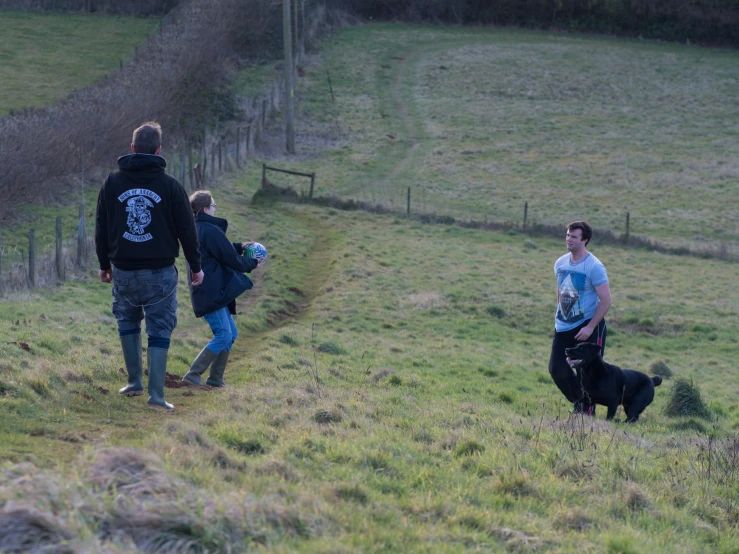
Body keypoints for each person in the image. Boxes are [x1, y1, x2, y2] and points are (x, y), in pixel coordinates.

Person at [95, 121, 204, 410]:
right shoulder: (170, 186)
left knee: (127, 322)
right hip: (160, 273)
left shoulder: (112, 182)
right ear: (158, 150)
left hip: (123, 272)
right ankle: (156, 396)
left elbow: (101, 227)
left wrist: (104, 263)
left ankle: (134, 382)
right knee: (159, 329)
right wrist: (196, 265)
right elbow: (187, 230)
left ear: (132, 149)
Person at [182, 190, 262, 388]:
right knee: (224, 334)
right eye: (214, 206)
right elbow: (230, 259)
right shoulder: (209, 230)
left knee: (231, 333)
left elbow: (220, 249)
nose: (216, 209)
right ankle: (193, 374)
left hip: (211, 289)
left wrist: (239, 246)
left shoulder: (198, 228)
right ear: (205, 209)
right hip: (211, 291)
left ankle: (216, 379)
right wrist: (252, 263)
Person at [548, 221, 612, 415]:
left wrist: (590, 327)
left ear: (585, 240)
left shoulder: (594, 267)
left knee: (588, 373)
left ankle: (585, 411)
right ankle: (582, 401)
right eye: (568, 235)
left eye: (574, 236)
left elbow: (606, 300)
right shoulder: (560, 263)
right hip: (563, 326)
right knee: (557, 369)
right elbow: (561, 289)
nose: (569, 239)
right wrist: (559, 311)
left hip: (587, 325)